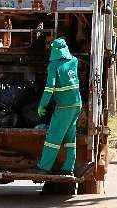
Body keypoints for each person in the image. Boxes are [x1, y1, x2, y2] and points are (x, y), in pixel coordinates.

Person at [33, 38, 82, 176]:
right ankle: (68, 168)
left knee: (53, 137)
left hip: (65, 106)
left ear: (54, 50)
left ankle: (43, 167)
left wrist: (42, 105)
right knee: (70, 138)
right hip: (76, 104)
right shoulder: (74, 61)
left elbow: (49, 88)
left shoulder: (54, 65)